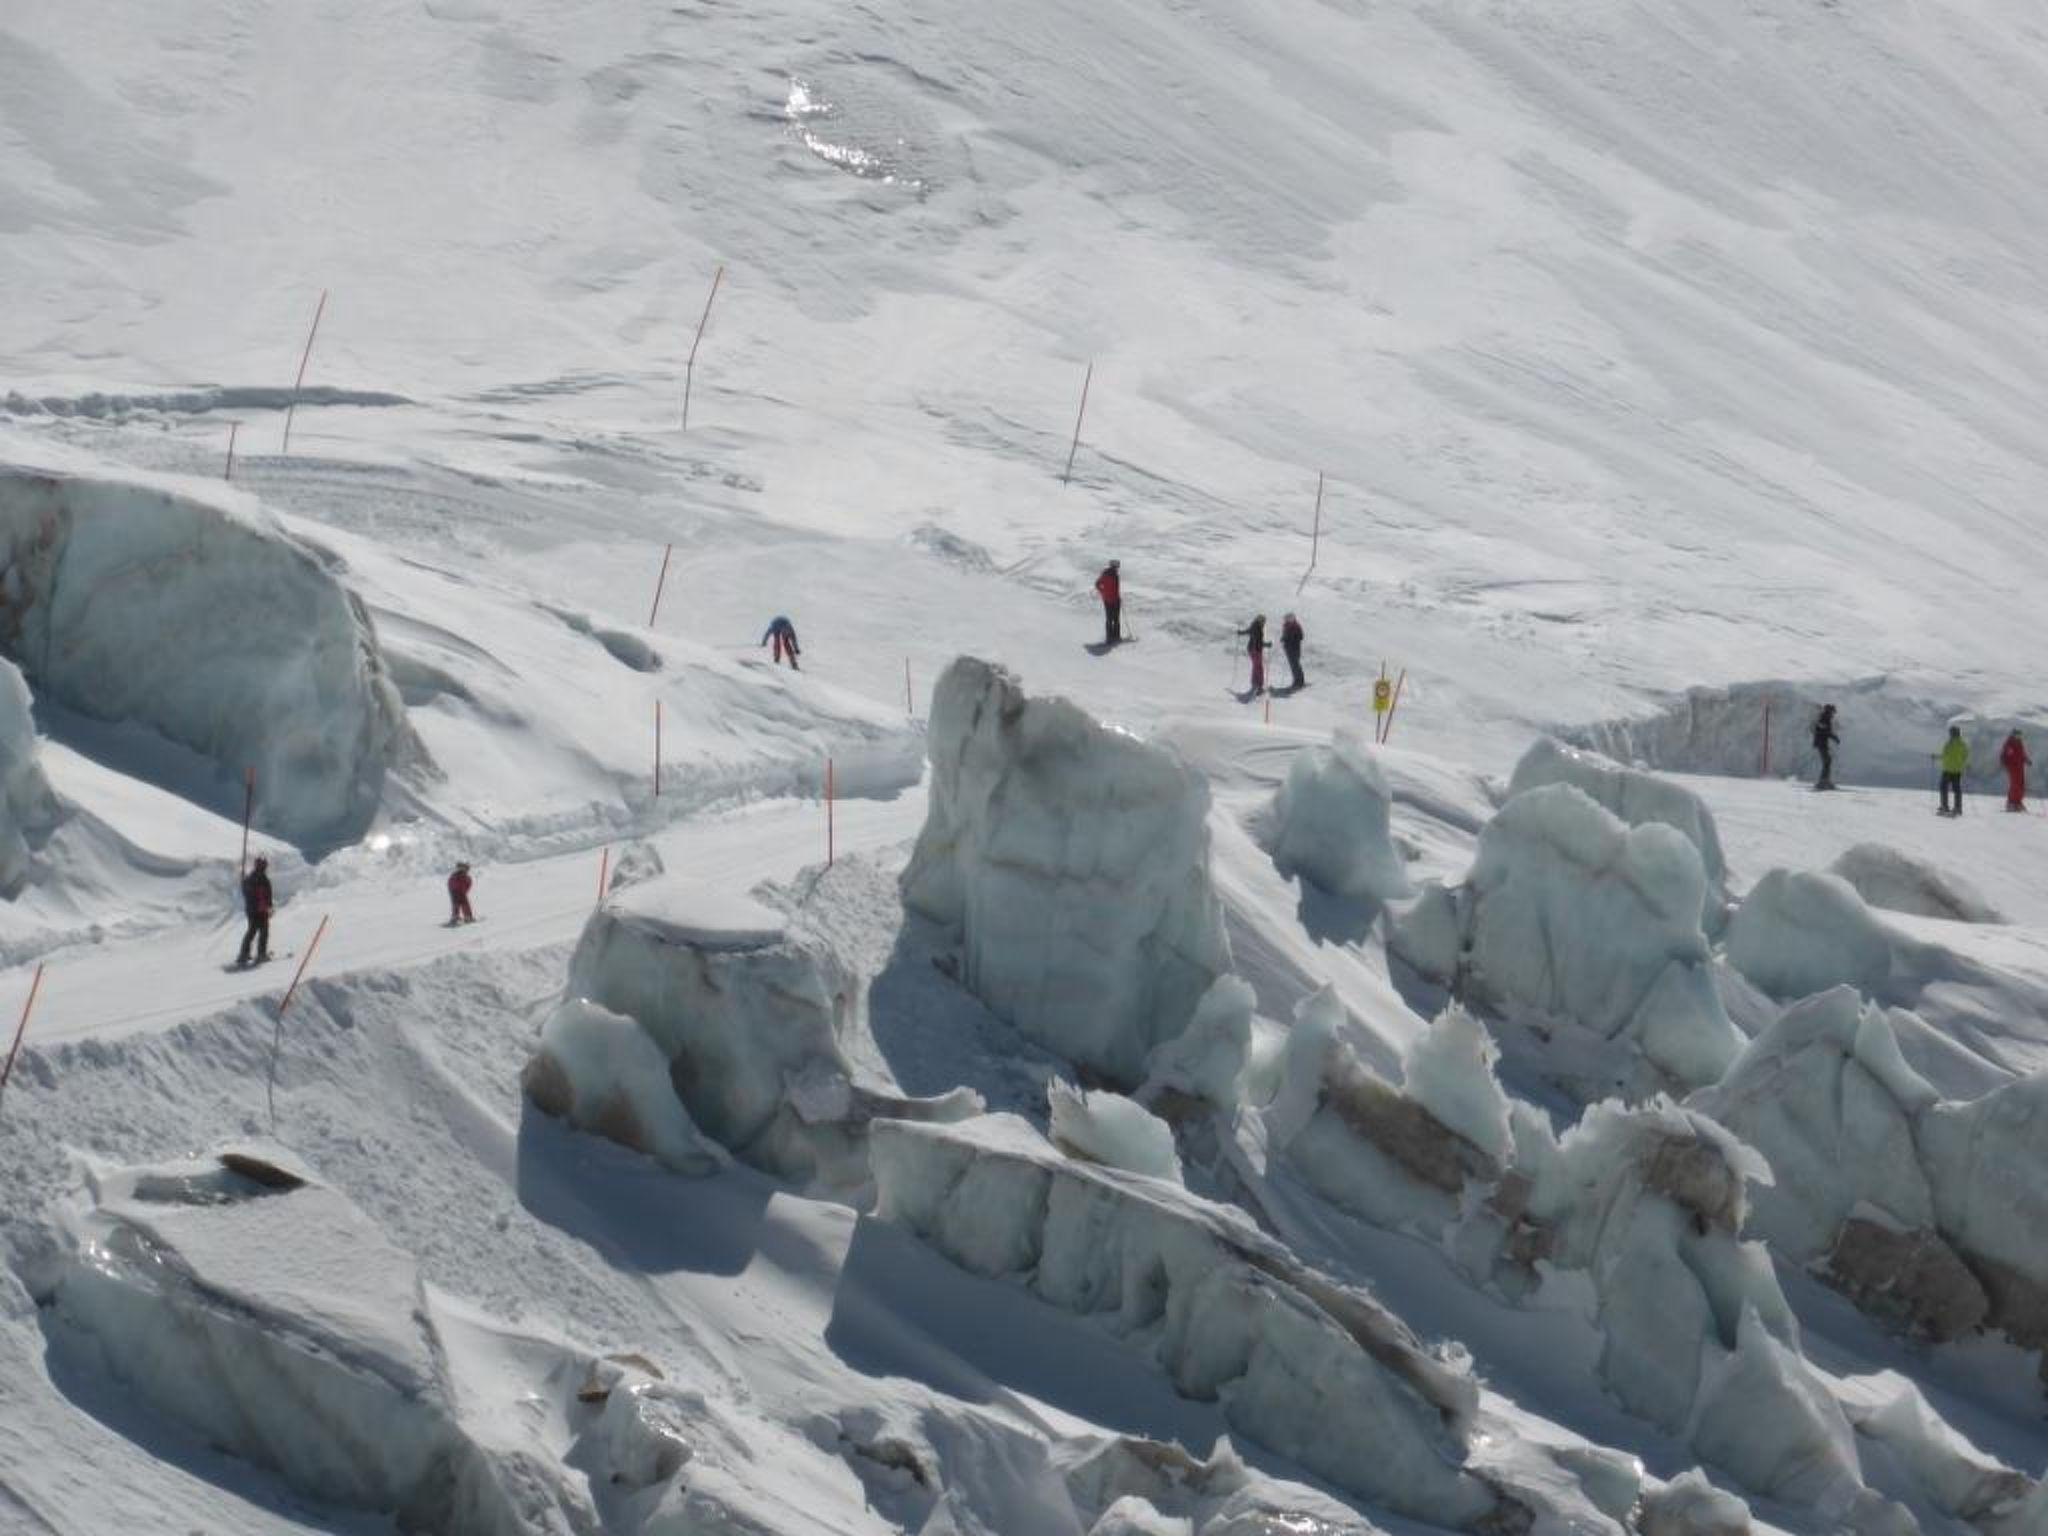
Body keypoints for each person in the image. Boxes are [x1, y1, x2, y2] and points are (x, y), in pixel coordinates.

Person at [237, 856, 273, 966]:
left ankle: (244, 954)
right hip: (260, 910)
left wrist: (243, 882)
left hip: (251, 909)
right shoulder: (262, 878)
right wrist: (268, 906)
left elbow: (245, 892)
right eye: (265, 865)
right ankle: (261, 954)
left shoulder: (250, 877)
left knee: (251, 931)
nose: (266, 867)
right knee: (263, 931)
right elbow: (266, 895)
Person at [1938, 726, 1970, 817]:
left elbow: (1944, 755)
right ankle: (1958, 808)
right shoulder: (1963, 744)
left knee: (1943, 788)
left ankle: (1944, 807)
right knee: (1957, 789)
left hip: (1947, 769)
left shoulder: (1948, 744)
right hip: (1957, 771)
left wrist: (1936, 757)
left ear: (1952, 733)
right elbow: (1966, 756)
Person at [1238, 614, 1270, 695]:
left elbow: (1248, 631)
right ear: (1260, 620)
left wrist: (1241, 632)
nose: (1264, 623)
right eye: (1263, 621)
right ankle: (1259, 686)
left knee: (1256, 666)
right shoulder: (1257, 628)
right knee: (1259, 667)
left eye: (1264, 621)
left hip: (1252, 649)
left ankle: (1254, 683)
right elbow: (1258, 641)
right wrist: (1266, 645)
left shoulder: (1254, 625)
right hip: (1255, 650)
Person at [2001, 730, 2031, 812]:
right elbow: (2005, 755)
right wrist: (2005, 763)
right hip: (2013, 767)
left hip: (2020, 767)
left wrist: (2027, 760)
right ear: (2013, 735)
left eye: (2020, 735)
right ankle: (2011, 803)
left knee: (2021, 785)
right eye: (2017, 735)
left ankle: (2018, 802)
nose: (2019, 737)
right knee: (2015, 785)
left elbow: (2022, 754)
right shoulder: (2009, 744)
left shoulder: (2020, 744)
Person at [1094, 560, 1122, 645]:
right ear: (1114, 566)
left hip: (1110, 599)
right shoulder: (1112, 575)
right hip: (1112, 600)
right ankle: (1114, 637)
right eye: (1117, 566)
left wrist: (1103, 592)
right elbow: (1098, 584)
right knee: (1114, 618)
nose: (1118, 568)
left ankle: (1111, 637)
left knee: (1111, 618)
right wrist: (1104, 592)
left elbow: (1097, 584)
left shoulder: (1106, 574)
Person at [1812, 704, 1839, 790]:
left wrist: (1833, 737)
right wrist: (1834, 737)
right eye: (1832, 712)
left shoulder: (1825, 719)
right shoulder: (1824, 718)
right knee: (1827, 761)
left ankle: (1825, 780)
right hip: (1821, 743)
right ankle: (1823, 781)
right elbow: (1824, 730)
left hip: (1822, 743)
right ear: (1829, 711)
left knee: (1827, 761)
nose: (1833, 715)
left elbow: (1825, 730)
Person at [1280, 613, 1305, 691]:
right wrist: (1283, 638)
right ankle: (1296, 680)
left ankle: (1299, 681)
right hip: (1288, 648)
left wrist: (1293, 638)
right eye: (1287, 619)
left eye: (1290, 618)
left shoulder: (1296, 626)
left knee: (1295, 664)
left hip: (1295, 648)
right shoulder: (1286, 626)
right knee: (1293, 665)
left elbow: (1301, 636)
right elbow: (1285, 635)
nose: (1288, 620)